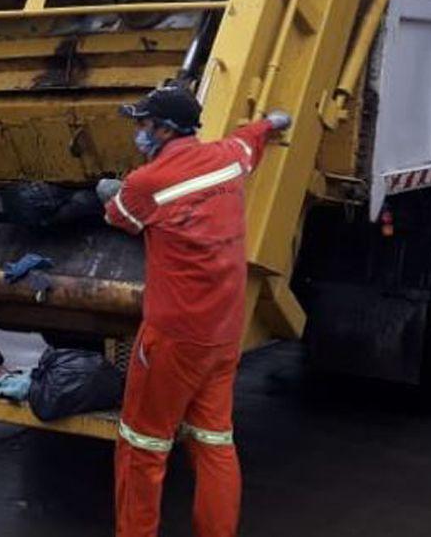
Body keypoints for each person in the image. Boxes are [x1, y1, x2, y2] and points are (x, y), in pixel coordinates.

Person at [99, 85, 290, 537]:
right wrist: (273, 123)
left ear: (165, 130)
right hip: (224, 333)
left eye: (143, 125)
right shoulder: (228, 158)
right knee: (214, 440)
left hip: (172, 338)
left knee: (143, 442)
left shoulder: (147, 183)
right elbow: (251, 139)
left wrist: (109, 189)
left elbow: (119, 215)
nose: (138, 132)